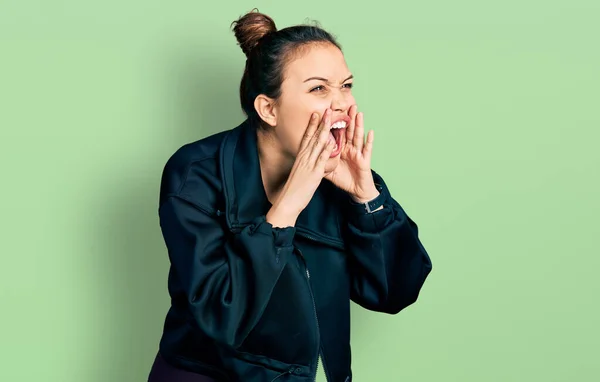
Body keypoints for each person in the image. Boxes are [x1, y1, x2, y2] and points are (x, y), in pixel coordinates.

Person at [148, 9, 433, 382]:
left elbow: (393, 293)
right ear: (268, 108)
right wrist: (287, 205)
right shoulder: (195, 174)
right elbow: (223, 316)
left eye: (346, 85)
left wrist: (367, 197)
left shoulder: (342, 175)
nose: (342, 104)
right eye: (319, 88)